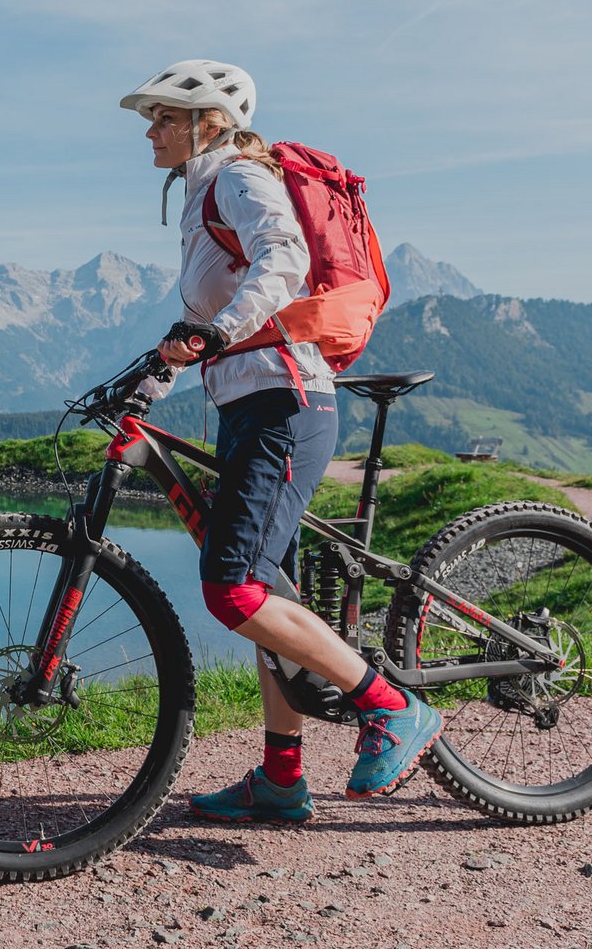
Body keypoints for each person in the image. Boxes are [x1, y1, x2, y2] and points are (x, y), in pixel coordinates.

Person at [119, 59, 442, 822]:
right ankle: (281, 779)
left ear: (209, 122)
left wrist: (221, 330)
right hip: (249, 403)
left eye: (164, 116)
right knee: (271, 596)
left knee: (235, 589)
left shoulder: (237, 176)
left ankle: (393, 707)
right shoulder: (204, 194)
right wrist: (148, 381)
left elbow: (284, 259)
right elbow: (206, 324)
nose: (150, 130)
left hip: (284, 404)